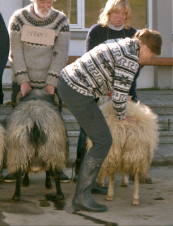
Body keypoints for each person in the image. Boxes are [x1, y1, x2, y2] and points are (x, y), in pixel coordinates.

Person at [58, 29, 162, 212]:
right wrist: (123, 116)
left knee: (99, 137)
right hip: (77, 91)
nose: (151, 58)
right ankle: (81, 197)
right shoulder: (131, 59)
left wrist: (115, 93)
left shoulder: (121, 43)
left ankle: (92, 184)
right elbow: (121, 96)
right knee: (103, 139)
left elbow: (104, 71)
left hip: (69, 81)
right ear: (145, 48)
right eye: (152, 54)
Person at [75, 0, 144, 188]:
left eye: (124, 13)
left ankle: (132, 170)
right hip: (97, 89)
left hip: (126, 88)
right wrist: (109, 89)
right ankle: (83, 173)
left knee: (132, 129)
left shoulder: (133, 34)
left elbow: (136, 65)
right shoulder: (97, 32)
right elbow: (90, 61)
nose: (120, 17)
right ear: (108, 12)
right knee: (88, 131)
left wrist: (123, 90)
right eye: (116, 12)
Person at [6, 0, 70, 183]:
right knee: (18, 127)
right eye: (43, 1)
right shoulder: (18, 18)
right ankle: (16, 167)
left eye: (50, 1)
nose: (47, 5)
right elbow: (15, 51)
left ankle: (55, 167)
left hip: (49, 82)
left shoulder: (61, 21)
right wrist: (23, 79)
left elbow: (60, 54)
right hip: (24, 81)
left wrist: (52, 81)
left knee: (55, 127)